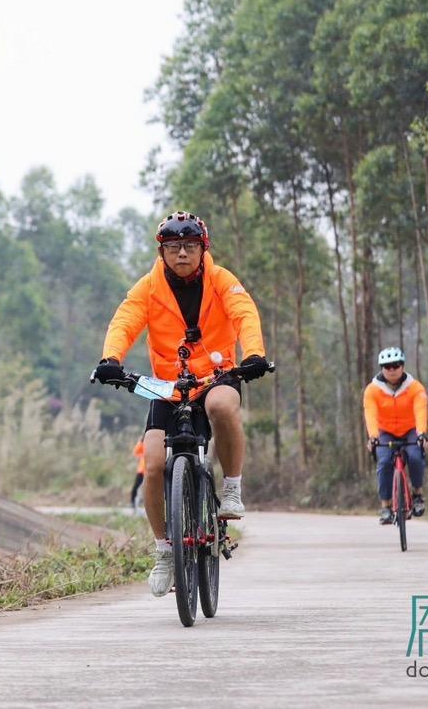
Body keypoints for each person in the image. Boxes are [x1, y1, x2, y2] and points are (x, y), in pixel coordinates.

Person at [93, 211, 269, 597]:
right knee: (154, 463)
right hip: (167, 387)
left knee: (223, 406)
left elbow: (245, 314)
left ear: (203, 248)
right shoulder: (149, 287)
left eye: (190, 246)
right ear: (163, 252)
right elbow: (125, 320)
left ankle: (232, 489)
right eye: (173, 248)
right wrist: (111, 360)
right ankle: (164, 551)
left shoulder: (222, 280)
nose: (182, 254)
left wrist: (253, 354)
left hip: (215, 376)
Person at [363, 347, 428, 524]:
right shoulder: (372, 390)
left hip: (410, 430)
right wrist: (373, 436)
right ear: (381, 368)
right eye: (387, 366)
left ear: (403, 366)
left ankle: (417, 495)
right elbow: (370, 414)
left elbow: (420, 410)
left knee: (415, 457)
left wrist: (422, 433)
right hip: (385, 432)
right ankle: (386, 506)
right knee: (384, 463)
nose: (392, 370)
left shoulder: (415, 388)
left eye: (396, 365)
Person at [130, 435, 145, 510]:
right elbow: (135, 452)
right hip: (142, 471)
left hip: (150, 471)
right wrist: (141, 441)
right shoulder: (143, 445)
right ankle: (132, 503)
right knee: (135, 487)